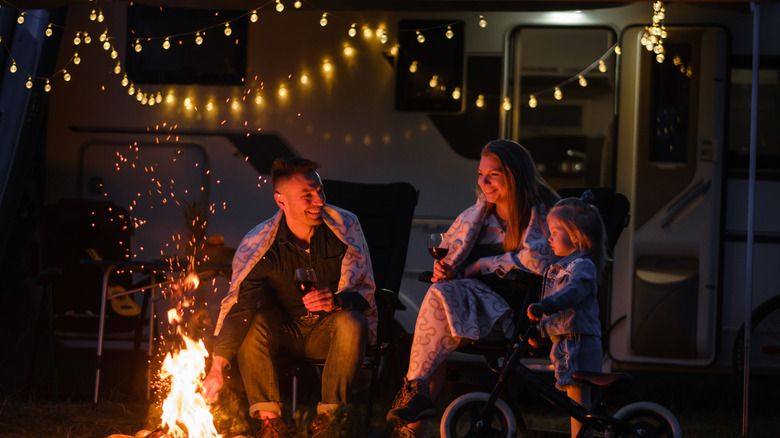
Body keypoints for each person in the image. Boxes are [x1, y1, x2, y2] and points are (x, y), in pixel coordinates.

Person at [386, 139, 559, 437]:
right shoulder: (476, 216)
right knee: (438, 304)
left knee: (437, 315)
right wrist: (448, 269)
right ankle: (415, 409)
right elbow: (452, 257)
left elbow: (537, 261)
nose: (483, 182)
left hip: (517, 316)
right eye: (480, 174)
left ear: (514, 175)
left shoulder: (540, 214)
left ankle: (411, 419)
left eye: (493, 174)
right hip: (474, 310)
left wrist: (480, 266)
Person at [202, 157, 377, 438]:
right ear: (281, 201)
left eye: (320, 191)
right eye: (307, 196)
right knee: (253, 321)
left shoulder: (345, 227)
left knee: (352, 321)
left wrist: (336, 300)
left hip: (328, 333)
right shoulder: (260, 246)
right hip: (285, 335)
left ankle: (331, 423)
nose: (319, 201)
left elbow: (365, 294)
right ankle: (271, 424)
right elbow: (240, 307)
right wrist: (217, 367)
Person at [526, 193, 609, 438]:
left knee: (578, 399)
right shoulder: (561, 267)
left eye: (555, 231)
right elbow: (563, 316)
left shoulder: (582, 266)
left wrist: (545, 306)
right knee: (576, 398)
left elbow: (573, 293)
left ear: (576, 235)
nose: (549, 237)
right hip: (568, 341)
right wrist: (541, 334)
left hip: (578, 342)